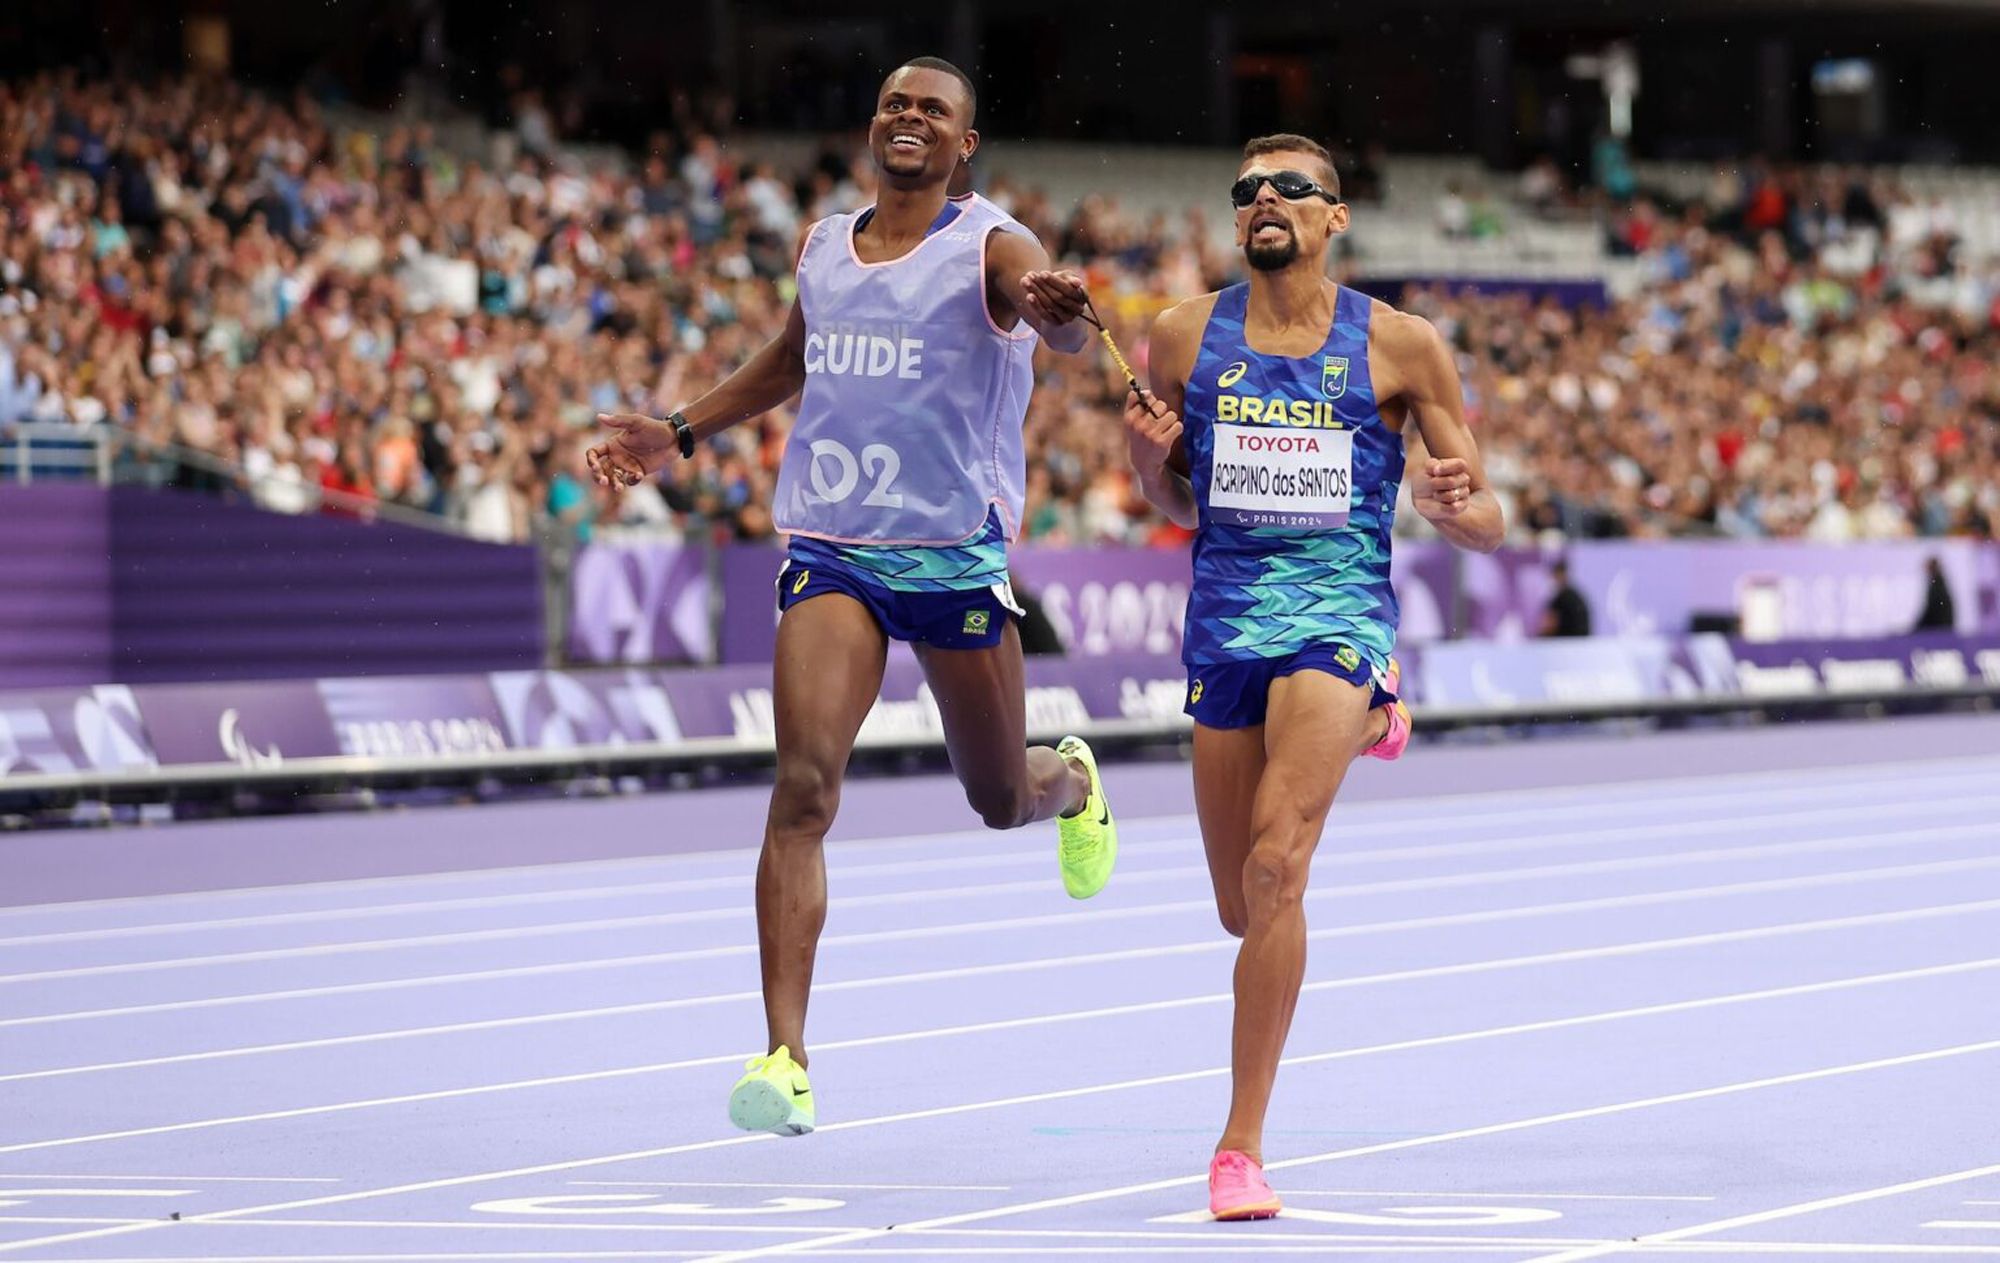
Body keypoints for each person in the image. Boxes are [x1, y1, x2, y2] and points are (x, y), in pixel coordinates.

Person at [585, 56, 1118, 1139]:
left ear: (964, 144)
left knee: (996, 798)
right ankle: (784, 1059)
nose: (909, 117)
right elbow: (793, 357)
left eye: (933, 109)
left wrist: (1061, 315)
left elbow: (1052, 319)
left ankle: (1068, 782)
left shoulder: (992, 246)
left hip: (951, 558)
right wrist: (678, 431)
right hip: (834, 547)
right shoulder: (824, 243)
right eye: (895, 104)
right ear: (874, 126)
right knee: (802, 788)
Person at [1121, 134, 1504, 1221]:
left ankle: (1238, 1148)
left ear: (1335, 216)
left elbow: (1486, 515)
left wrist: (1450, 505)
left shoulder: (1400, 344)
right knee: (1238, 906)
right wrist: (1147, 459)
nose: (1264, 201)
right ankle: (1374, 720)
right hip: (1226, 623)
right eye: (1247, 190)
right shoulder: (1180, 336)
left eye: (1290, 187)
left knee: (1276, 866)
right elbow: (1175, 500)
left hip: (1336, 617)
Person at [1540, 557, 1593, 637]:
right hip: (1580, 640)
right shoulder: (1575, 596)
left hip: (1568, 641)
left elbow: (1551, 625)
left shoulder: (1563, 599)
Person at [1915, 555, 1956, 631]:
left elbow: (1932, 608)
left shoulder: (1937, 584)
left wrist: (1918, 627)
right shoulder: (1938, 582)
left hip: (1939, 627)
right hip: (1942, 626)